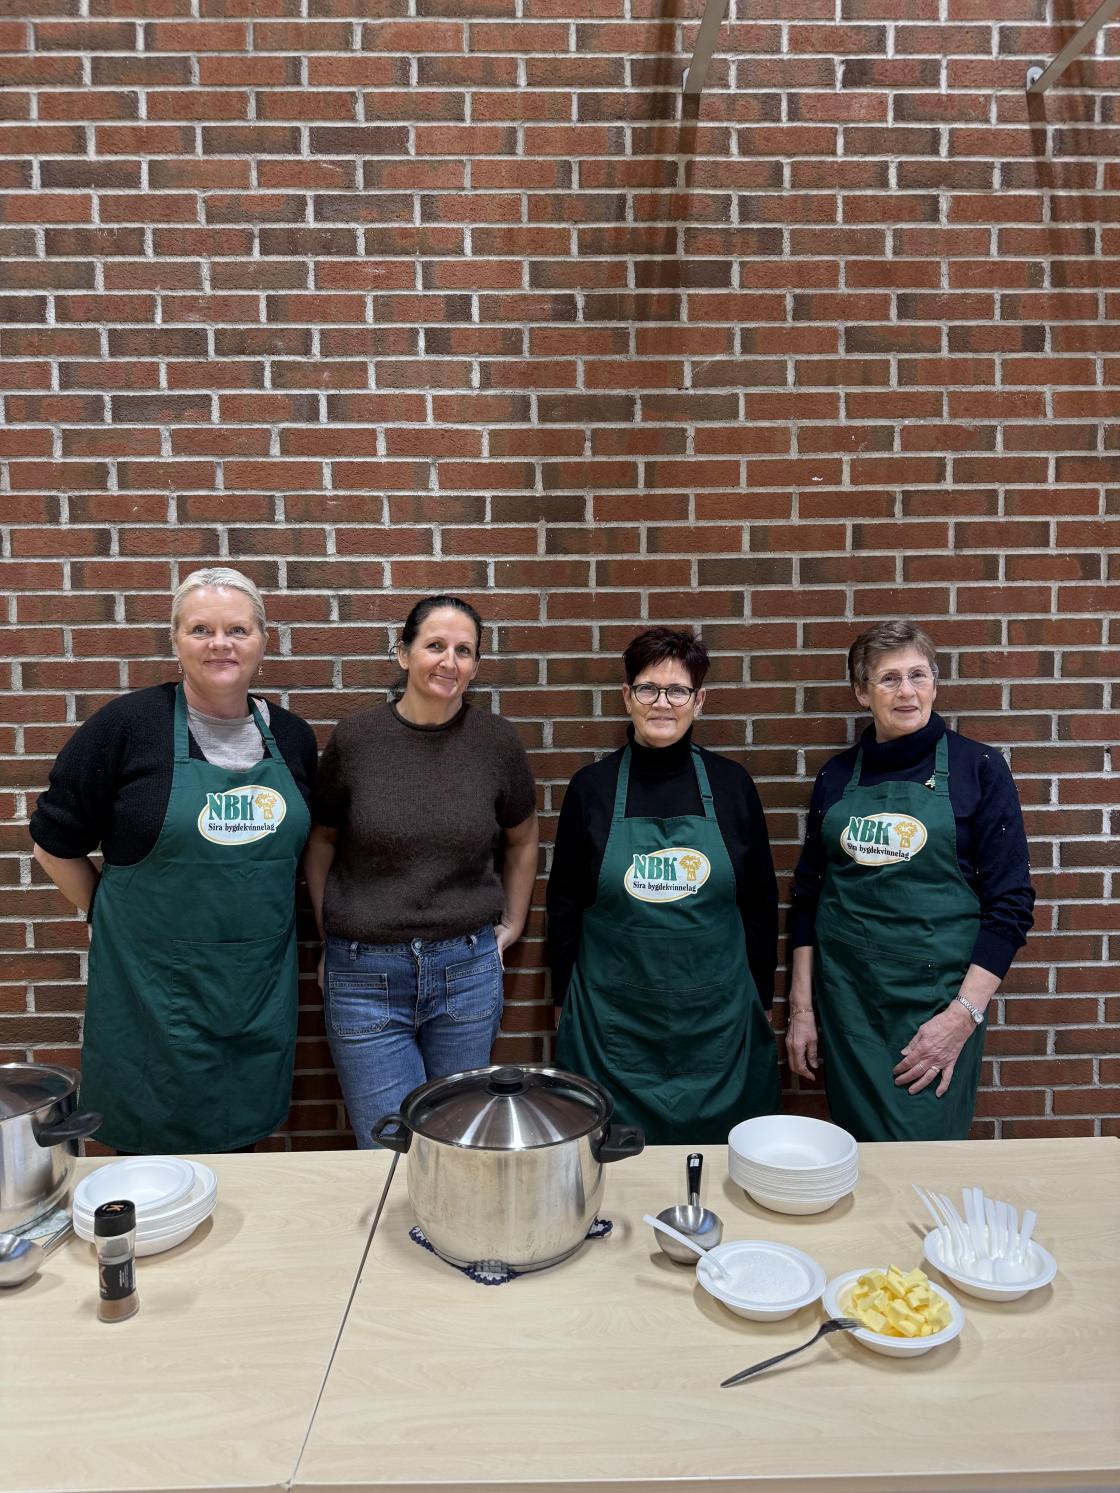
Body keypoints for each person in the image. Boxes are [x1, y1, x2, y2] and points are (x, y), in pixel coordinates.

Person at [30, 566, 316, 1154]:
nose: (220, 644)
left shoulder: (292, 737)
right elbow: (53, 845)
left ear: (264, 641)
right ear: (176, 640)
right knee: (150, 1173)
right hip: (149, 994)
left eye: (237, 630)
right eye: (201, 629)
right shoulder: (126, 728)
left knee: (241, 1167)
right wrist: (113, 914)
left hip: (256, 991)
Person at [786, 619, 1035, 1142]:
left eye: (918, 675)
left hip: (935, 1008)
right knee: (857, 1154)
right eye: (889, 678)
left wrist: (962, 1018)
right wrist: (803, 1012)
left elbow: (1011, 906)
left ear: (935, 684)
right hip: (849, 1008)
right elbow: (807, 896)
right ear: (861, 692)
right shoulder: (836, 776)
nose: (906, 691)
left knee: (925, 1161)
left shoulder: (978, 768)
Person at [305, 595, 538, 1148]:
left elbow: (524, 838)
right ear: (403, 652)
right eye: (435, 645)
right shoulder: (357, 740)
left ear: (476, 665)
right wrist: (329, 931)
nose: (449, 662)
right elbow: (322, 841)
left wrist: (513, 922)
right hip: (365, 977)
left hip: (467, 973)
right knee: (390, 1148)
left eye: (464, 651)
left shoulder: (496, 743)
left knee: (459, 1145)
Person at [547, 626, 781, 1144]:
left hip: (718, 1024)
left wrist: (762, 998)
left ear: (699, 700)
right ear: (627, 696)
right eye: (648, 688)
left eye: (677, 690)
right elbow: (563, 904)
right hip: (613, 1025)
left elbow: (761, 904)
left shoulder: (732, 785)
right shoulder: (591, 788)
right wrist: (562, 999)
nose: (662, 703)